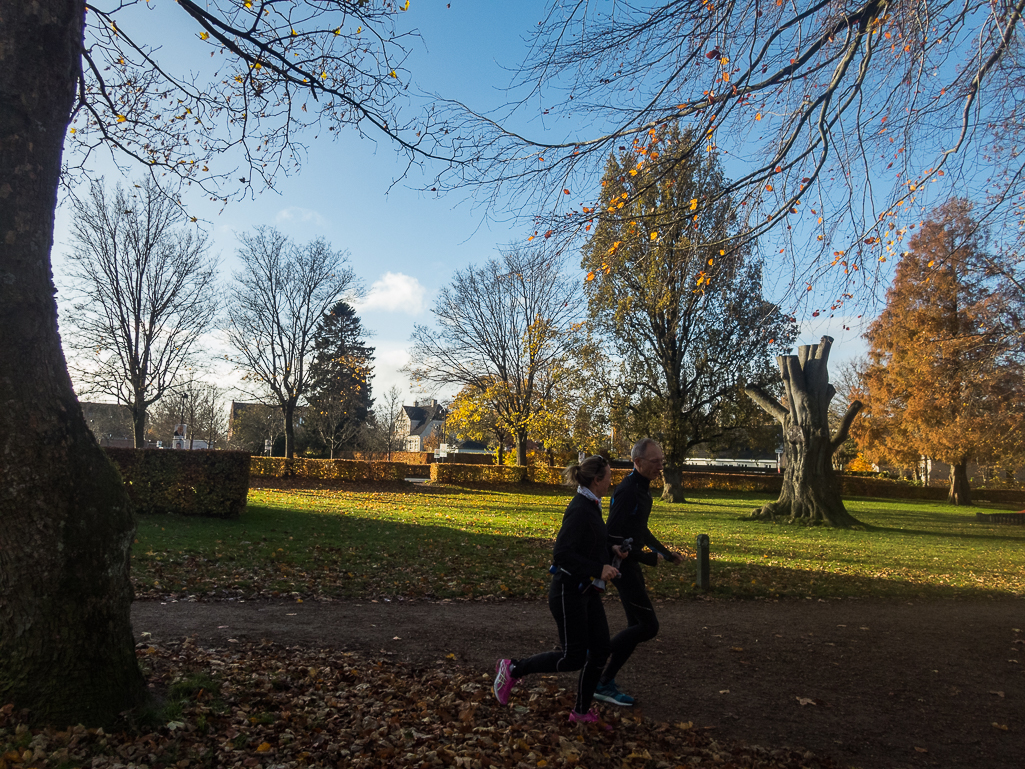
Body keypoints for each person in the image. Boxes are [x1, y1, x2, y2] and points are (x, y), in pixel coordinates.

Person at [493, 455, 626, 725]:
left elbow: (586, 544)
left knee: (600, 650)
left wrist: (609, 552)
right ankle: (513, 668)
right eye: (609, 478)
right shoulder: (580, 508)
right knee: (573, 657)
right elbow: (562, 554)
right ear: (596, 480)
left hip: (586, 591)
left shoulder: (592, 504)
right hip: (568, 592)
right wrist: (598, 569)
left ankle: (580, 712)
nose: (612, 482)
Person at [593, 438, 683, 707]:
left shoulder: (642, 490)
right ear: (638, 462)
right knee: (648, 626)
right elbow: (613, 536)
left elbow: (640, 529)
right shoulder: (628, 490)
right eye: (655, 462)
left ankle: (603, 681)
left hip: (631, 564)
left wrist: (665, 553)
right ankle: (595, 658)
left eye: (662, 461)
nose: (660, 466)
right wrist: (645, 557)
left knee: (638, 626)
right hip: (622, 567)